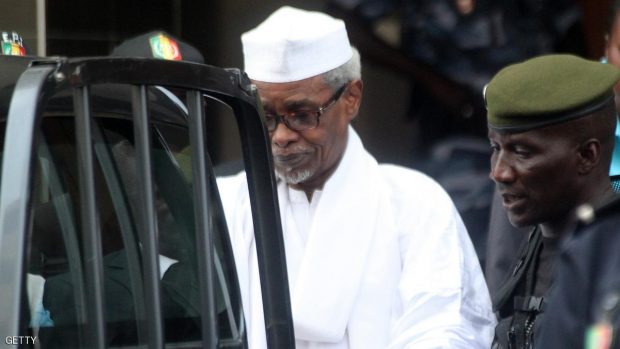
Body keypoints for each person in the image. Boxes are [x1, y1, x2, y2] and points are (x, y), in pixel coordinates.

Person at [217, 6, 495, 349]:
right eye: (265, 116)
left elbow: (446, 328)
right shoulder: (225, 206)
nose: (280, 136)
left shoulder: (415, 204)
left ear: (351, 98)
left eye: (301, 115)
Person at [485, 54, 620, 348]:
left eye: (522, 152)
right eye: (496, 147)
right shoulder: (526, 246)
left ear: (587, 155)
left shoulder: (608, 257)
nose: (499, 172)